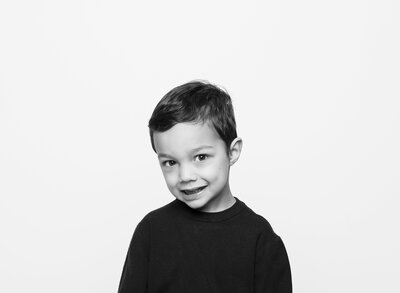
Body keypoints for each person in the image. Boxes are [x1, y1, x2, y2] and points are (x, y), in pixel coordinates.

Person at [118, 81, 292, 293]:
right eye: (170, 162)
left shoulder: (261, 240)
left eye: (201, 157)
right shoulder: (151, 231)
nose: (185, 176)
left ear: (233, 151)